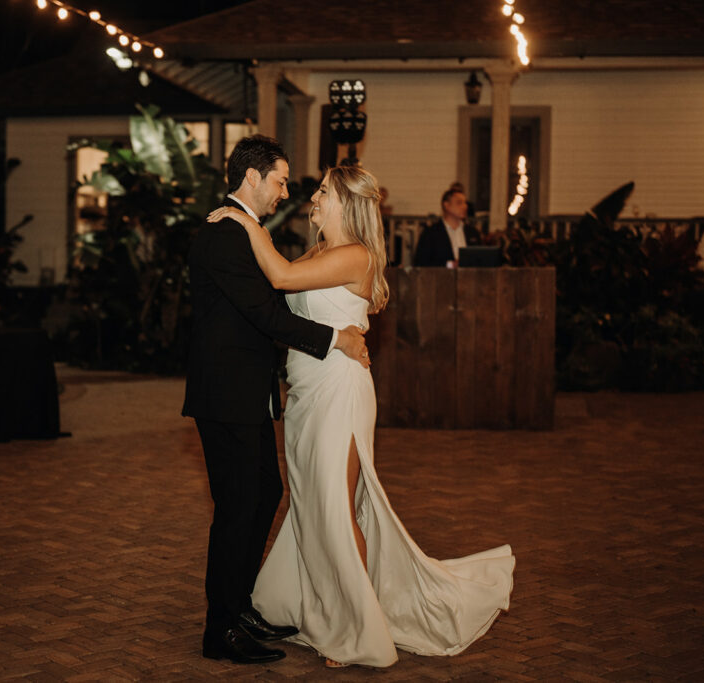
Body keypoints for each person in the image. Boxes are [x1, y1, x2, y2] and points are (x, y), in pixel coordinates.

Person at [207, 165, 514, 669]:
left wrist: (245, 222)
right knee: (313, 504)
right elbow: (279, 291)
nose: (314, 197)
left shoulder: (356, 255)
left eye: (324, 191)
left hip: (340, 392)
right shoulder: (320, 251)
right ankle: (317, 607)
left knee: (336, 506)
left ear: (346, 203)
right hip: (307, 393)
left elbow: (280, 276)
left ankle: (358, 627)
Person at [182, 135, 370, 666]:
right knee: (237, 507)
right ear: (252, 178)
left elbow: (278, 290)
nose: (287, 189)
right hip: (226, 395)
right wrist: (336, 339)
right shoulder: (224, 234)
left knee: (263, 494)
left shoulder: (248, 231)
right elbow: (266, 315)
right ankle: (220, 629)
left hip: (247, 394)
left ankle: (240, 608)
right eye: (282, 179)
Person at [413, 182, 481, 267]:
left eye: (465, 203)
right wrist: (450, 264)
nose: (465, 206)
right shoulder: (431, 233)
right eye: (459, 203)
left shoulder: (472, 232)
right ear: (446, 205)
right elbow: (421, 263)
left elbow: (480, 260)